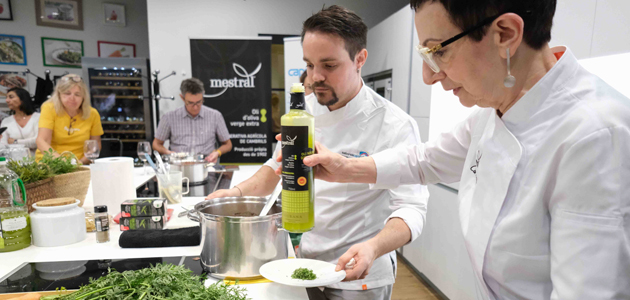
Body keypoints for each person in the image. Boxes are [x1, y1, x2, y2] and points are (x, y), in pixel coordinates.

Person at [287, 0, 630, 298]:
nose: (428, 75)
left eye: (437, 51)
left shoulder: (595, 135)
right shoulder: (494, 112)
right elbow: (423, 161)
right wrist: (345, 168)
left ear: (506, 34)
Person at [207, 6, 429, 299]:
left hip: (359, 274)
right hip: (306, 265)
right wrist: (235, 194)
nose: (314, 78)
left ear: (360, 59)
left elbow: (411, 208)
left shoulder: (394, 124)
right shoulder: (304, 112)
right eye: (310, 65)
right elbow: (274, 170)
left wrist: (374, 247)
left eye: (329, 65)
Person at [153, 78, 232, 163]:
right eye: (190, 103)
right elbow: (156, 144)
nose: (195, 107)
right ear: (182, 98)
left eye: (199, 102)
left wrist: (217, 152)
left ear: (203, 95)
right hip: (179, 165)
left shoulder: (215, 116)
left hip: (206, 165)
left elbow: (228, 144)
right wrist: (168, 153)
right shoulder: (169, 117)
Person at [36, 74, 103, 164]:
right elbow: (42, 141)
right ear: (59, 95)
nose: (72, 98)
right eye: (67, 93)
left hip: (79, 164)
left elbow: (95, 144)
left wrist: (80, 163)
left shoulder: (92, 113)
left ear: (84, 97)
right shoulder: (49, 108)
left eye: (77, 94)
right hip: (49, 163)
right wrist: (61, 162)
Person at [0, 88, 40, 156]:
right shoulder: (6, 121)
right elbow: (3, 146)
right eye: (6, 98)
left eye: (11, 97)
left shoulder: (38, 117)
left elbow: (38, 141)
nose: (7, 100)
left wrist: (15, 142)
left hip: (37, 162)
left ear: (22, 99)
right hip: (13, 163)